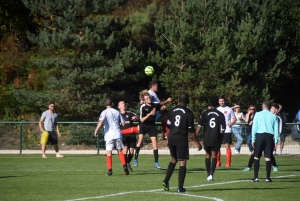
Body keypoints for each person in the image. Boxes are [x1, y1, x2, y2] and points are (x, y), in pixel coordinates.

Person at [162, 92, 202, 193]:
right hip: (181, 138)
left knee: (174, 159)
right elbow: (191, 130)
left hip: (172, 137)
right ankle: (180, 188)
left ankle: (166, 180)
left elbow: (168, 126)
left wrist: (168, 139)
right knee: (182, 162)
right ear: (187, 101)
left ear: (178, 100)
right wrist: (197, 142)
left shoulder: (172, 110)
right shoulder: (189, 112)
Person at [94, 97, 129, 176]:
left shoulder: (104, 112)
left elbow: (101, 121)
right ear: (112, 104)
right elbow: (123, 123)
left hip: (109, 135)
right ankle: (124, 166)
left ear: (105, 104)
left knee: (109, 153)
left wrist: (96, 130)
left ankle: (110, 170)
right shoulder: (117, 112)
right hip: (117, 134)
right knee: (120, 151)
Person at [196, 97, 226, 181]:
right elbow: (223, 128)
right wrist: (220, 136)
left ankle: (208, 173)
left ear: (209, 104)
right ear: (217, 103)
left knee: (207, 155)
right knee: (214, 156)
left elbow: (199, 126)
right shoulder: (220, 114)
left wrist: (195, 137)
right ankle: (211, 174)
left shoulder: (205, 113)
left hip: (207, 137)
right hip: (215, 137)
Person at [134, 90, 163, 168]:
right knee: (140, 141)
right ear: (144, 100)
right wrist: (150, 114)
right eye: (147, 98)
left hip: (151, 126)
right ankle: (135, 159)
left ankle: (156, 162)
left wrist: (163, 107)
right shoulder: (143, 107)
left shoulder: (155, 105)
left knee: (155, 144)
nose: (149, 99)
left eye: (149, 97)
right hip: (143, 126)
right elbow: (142, 120)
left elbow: (160, 105)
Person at [251, 100, 279, 182]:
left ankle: (256, 177)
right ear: (270, 107)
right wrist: (276, 141)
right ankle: (268, 177)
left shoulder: (257, 114)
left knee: (256, 156)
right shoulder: (274, 116)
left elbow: (254, 128)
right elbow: (276, 130)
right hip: (269, 136)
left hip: (259, 135)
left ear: (262, 106)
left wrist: (253, 139)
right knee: (268, 157)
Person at [118, 101, 139, 172]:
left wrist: (136, 118)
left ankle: (126, 163)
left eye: (124, 103)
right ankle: (125, 165)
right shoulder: (117, 115)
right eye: (122, 103)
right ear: (119, 107)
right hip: (123, 136)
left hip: (131, 135)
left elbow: (139, 118)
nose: (124, 104)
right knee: (125, 149)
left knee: (132, 152)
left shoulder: (130, 113)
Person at [216, 96, 236, 167]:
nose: (222, 102)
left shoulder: (229, 109)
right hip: (218, 130)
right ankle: (218, 162)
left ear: (225, 101)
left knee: (227, 145)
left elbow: (234, 119)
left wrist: (231, 123)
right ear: (218, 102)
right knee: (217, 146)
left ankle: (228, 163)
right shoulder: (217, 109)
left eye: (223, 101)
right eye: (220, 101)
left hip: (227, 130)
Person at [242, 105, 256, 171]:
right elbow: (246, 121)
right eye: (250, 109)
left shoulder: (256, 115)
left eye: (253, 109)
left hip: (253, 131)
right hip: (248, 130)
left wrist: (253, 121)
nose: (251, 110)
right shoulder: (248, 114)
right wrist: (248, 115)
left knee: (250, 141)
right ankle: (252, 151)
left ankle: (253, 151)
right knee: (248, 141)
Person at [270, 103, 282, 172]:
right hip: (266, 136)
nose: (271, 109)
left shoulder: (278, 118)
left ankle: (274, 165)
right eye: (271, 108)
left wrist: (275, 138)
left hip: (273, 138)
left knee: (269, 154)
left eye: (272, 108)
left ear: (276, 110)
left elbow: (279, 130)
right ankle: (249, 166)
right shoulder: (268, 116)